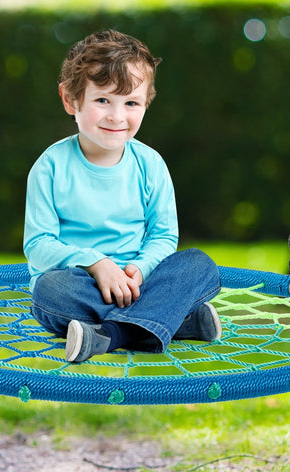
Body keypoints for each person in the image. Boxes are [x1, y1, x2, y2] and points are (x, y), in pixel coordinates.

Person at [23, 29, 221, 364]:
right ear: (70, 100)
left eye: (130, 103)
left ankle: (110, 335)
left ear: (146, 104)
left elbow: (163, 236)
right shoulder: (50, 167)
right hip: (82, 284)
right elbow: (38, 244)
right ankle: (173, 321)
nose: (117, 116)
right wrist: (97, 264)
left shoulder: (150, 164)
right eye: (103, 100)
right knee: (49, 291)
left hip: (140, 280)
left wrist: (138, 270)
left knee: (200, 265)